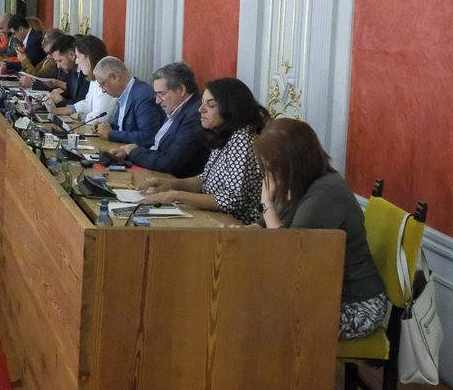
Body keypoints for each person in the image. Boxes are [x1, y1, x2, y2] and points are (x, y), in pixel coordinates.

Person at [255, 118, 387, 340]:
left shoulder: (326, 193)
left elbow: (290, 254)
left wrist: (266, 203)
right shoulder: (300, 182)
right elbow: (266, 228)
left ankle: (289, 374)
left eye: (271, 168)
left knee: (263, 318)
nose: (268, 174)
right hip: (322, 292)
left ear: (292, 163)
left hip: (356, 305)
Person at [140, 77, 270, 224]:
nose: (201, 110)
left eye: (211, 105)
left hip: (236, 225)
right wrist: (171, 183)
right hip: (213, 217)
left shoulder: (242, 140)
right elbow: (205, 179)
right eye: (202, 103)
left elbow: (231, 200)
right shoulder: (224, 133)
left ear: (231, 109)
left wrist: (176, 195)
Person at [109, 62, 208, 177]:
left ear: (181, 90)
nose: (157, 101)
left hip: (172, 183)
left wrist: (133, 151)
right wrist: (128, 151)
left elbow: (170, 163)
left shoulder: (194, 116)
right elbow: (157, 147)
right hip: (153, 173)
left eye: (161, 94)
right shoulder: (176, 107)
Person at [92, 56, 164, 147]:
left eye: (103, 84)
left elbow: (148, 137)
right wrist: (104, 126)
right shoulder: (124, 94)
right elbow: (122, 126)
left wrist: (111, 134)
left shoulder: (143, 96)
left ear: (115, 77)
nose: (103, 90)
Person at [45, 35, 115, 122]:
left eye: (78, 57)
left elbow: (98, 118)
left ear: (89, 57)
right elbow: (86, 104)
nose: (76, 61)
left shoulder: (106, 79)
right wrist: (56, 111)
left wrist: (77, 118)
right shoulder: (94, 77)